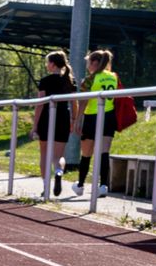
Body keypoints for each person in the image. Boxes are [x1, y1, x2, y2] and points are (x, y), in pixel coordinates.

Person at [72, 49, 122, 197]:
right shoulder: (113, 76)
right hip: (109, 116)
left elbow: (83, 102)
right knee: (104, 152)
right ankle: (103, 185)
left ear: (94, 63)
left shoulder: (89, 79)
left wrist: (77, 120)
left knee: (86, 153)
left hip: (92, 117)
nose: (88, 65)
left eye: (89, 62)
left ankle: (80, 185)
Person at [34, 51, 75, 197]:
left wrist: (35, 125)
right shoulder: (69, 80)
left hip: (46, 117)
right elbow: (74, 102)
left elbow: (40, 104)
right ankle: (58, 172)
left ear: (52, 64)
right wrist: (74, 119)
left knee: (44, 154)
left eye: (47, 62)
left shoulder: (45, 81)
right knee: (59, 156)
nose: (46, 65)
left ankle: (46, 187)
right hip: (63, 117)